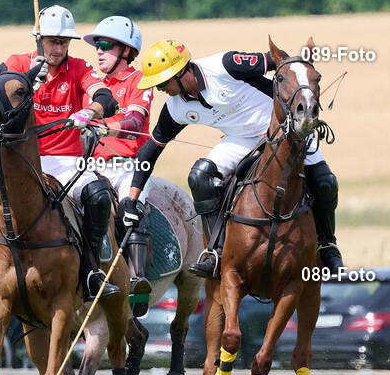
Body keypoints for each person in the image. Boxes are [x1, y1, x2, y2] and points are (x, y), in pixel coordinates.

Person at [0, 5, 121, 326]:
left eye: (64, 42)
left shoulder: (80, 68)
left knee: (98, 194)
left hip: (64, 161)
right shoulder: (15, 64)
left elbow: (104, 96)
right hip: (20, 162)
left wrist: (91, 111)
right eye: (52, 41)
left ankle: (90, 272)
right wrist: (28, 80)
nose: (58, 49)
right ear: (39, 39)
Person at [123, 39, 343, 281]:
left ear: (182, 71)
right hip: (240, 140)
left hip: (284, 127)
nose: (160, 89)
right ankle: (215, 252)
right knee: (200, 177)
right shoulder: (176, 107)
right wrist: (132, 198)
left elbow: (281, 61)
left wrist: (295, 106)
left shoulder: (225, 66)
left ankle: (327, 245)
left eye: (163, 82)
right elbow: (150, 150)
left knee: (324, 182)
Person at [80, 16, 154, 315]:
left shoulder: (139, 81)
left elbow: (135, 120)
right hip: (89, 165)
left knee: (129, 210)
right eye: (97, 46)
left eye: (106, 45)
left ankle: (137, 282)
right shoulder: (95, 86)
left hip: (128, 166)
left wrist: (105, 128)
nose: (99, 51)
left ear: (126, 51)